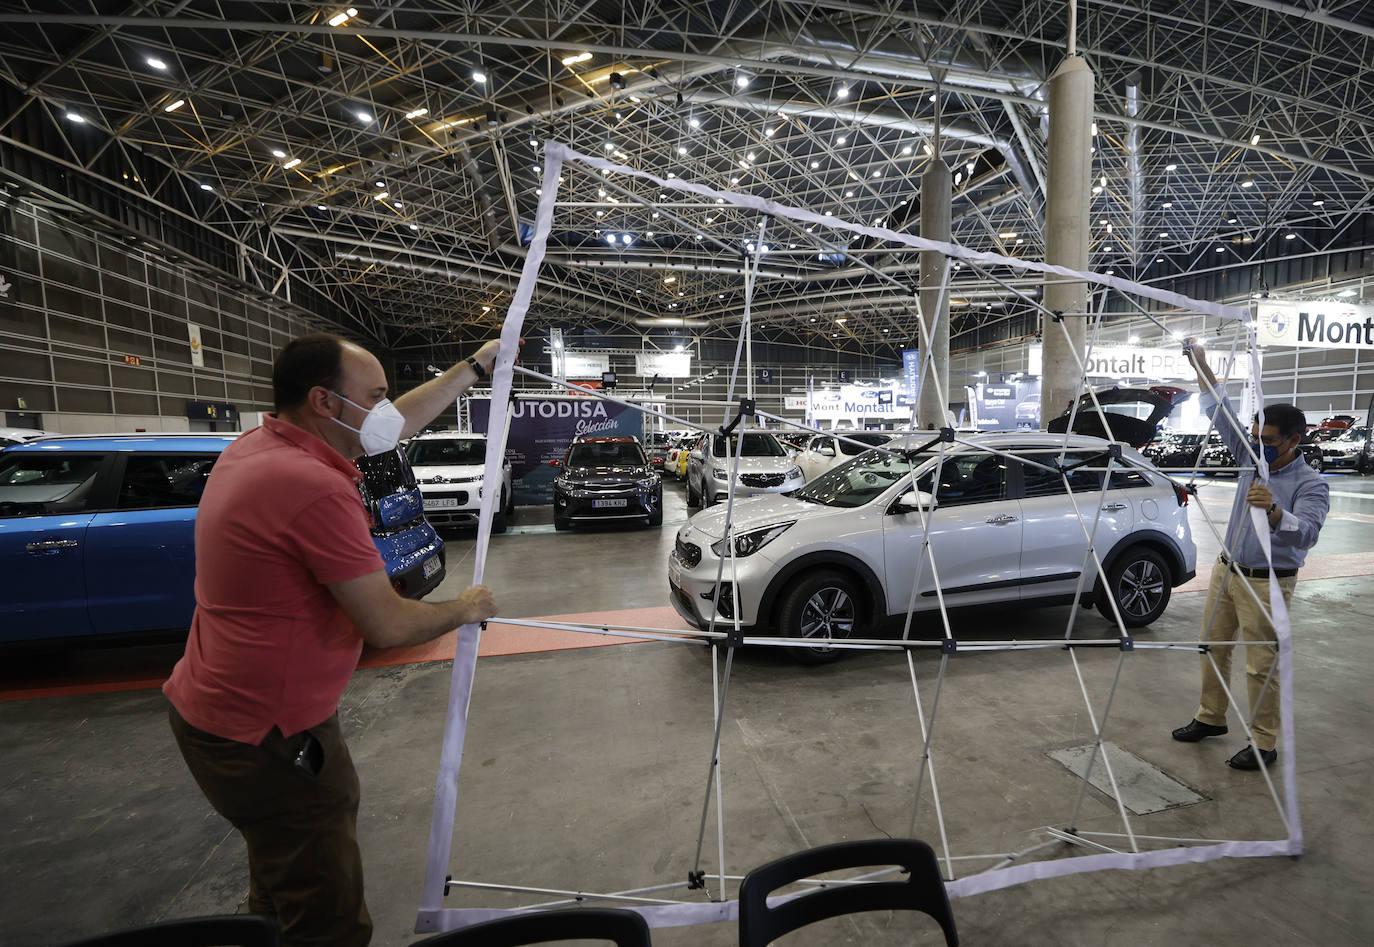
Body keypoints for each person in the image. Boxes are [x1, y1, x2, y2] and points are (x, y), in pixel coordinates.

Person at [164, 334, 505, 946]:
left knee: (281, 883)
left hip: (225, 713)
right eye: (373, 398)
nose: (385, 411)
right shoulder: (310, 484)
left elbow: (395, 423)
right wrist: (465, 607)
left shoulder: (259, 447)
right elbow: (388, 625)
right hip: (267, 733)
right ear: (323, 401)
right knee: (327, 917)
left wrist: (477, 366)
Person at [1170, 338, 1329, 770]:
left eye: (1270, 441)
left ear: (1294, 440)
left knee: (1261, 666)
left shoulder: (1310, 485)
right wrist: (1201, 364)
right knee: (1212, 647)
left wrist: (1276, 512)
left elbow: (1309, 534)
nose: (1259, 446)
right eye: (1256, 438)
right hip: (1228, 570)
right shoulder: (1249, 455)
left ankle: (1264, 742)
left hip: (1269, 582)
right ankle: (1210, 717)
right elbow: (1219, 410)